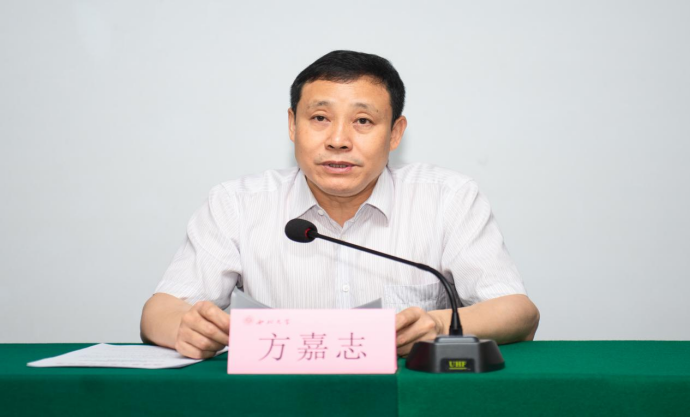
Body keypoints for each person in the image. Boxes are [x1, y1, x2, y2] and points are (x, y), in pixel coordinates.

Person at [140, 50, 539, 359]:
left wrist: (435, 325)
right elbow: (158, 313)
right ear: (293, 125)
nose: (338, 140)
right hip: (281, 400)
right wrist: (186, 328)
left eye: (363, 121)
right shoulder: (237, 204)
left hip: (403, 398)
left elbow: (517, 312)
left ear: (395, 132)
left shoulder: (448, 198)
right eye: (319, 118)